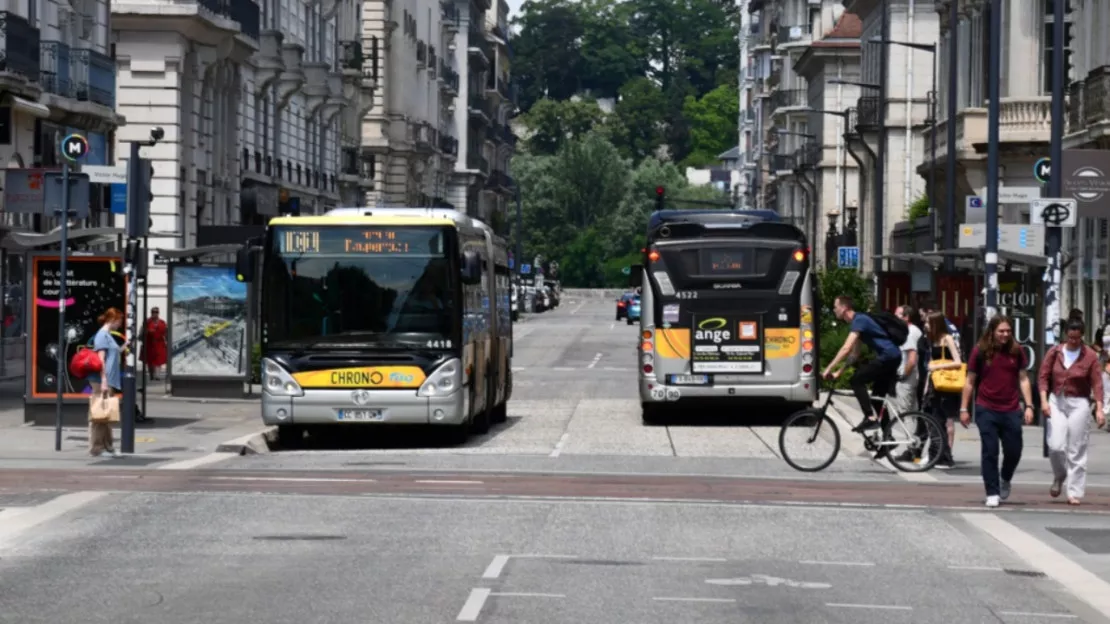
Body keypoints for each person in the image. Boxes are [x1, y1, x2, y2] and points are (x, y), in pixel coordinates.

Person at [960, 315, 1035, 508]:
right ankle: (992, 492)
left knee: (1014, 450)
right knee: (990, 451)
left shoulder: (1017, 351)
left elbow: (1023, 379)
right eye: (1001, 331)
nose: (1005, 334)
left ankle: (1005, 477)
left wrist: (1028, 405)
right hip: (986, 408)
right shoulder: (980, 351)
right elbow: (969, 382)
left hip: (1011, 408)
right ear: (992, 331)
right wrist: (964, 408)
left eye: (1008, 331)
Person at [1038, 318, 1105, 506]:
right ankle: (1060, 475)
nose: (1073, 341)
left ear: (1082, 336)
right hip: (1056, 400)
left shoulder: (1090, 355)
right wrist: (1044, 401)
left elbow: (1097, 383)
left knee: (1077, 448)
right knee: (1056, 445)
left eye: (1077, 338)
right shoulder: (1055, 352)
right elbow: (1043, 377)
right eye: (1070, 337)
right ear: (1066, 335)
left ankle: (1074, 491)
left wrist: (1099, 409)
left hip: (1079, 402)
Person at [822, 295, 903, 432]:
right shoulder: (859, 321)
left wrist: (828, 369)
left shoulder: (859, 320)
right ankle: (888, 437)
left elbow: (846, 349)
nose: (833, 310)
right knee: (877, 399)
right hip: (892, 357)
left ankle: (869, 418)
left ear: (844, 308)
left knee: (856, 380)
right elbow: (854, 354)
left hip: (888, 356)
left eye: (835, 307)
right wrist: (839, 372)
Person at [925, 311, 963, 469]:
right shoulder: (932, 340)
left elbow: (958, 362)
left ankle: (946, 457)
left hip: (948, 385)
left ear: (936, 323)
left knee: (943, 420)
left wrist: (937, 366)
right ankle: (936, 455)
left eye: (928, 322)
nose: (925, 325)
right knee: (933, 419)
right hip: (935, 384)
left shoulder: (947, 339)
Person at [86, 308, 124, 458]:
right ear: (113, 320)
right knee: (99, 415)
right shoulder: (102, 335)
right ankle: (97, 448)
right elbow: (101, 360)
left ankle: (108, 446)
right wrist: (103, 380)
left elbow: (112, 355)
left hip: (109, 379)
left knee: (106, 414)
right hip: (102, 380)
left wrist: (124, 347)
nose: (120, 324)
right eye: (119, 321)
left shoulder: (107, 335)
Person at [140, 307, 168, 380]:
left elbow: (166, 333)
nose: (155, 314)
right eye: (153, 312)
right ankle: (151, 375)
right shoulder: (147, 322)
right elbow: (141, 333)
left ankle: (157, 375)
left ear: (158, 313)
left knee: (159, 360)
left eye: (156, 312)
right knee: (150, 361)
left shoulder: (162, 322)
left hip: (159, 343)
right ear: (151, 313)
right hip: (149, 344)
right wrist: (147, 332)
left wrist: (167, 341)